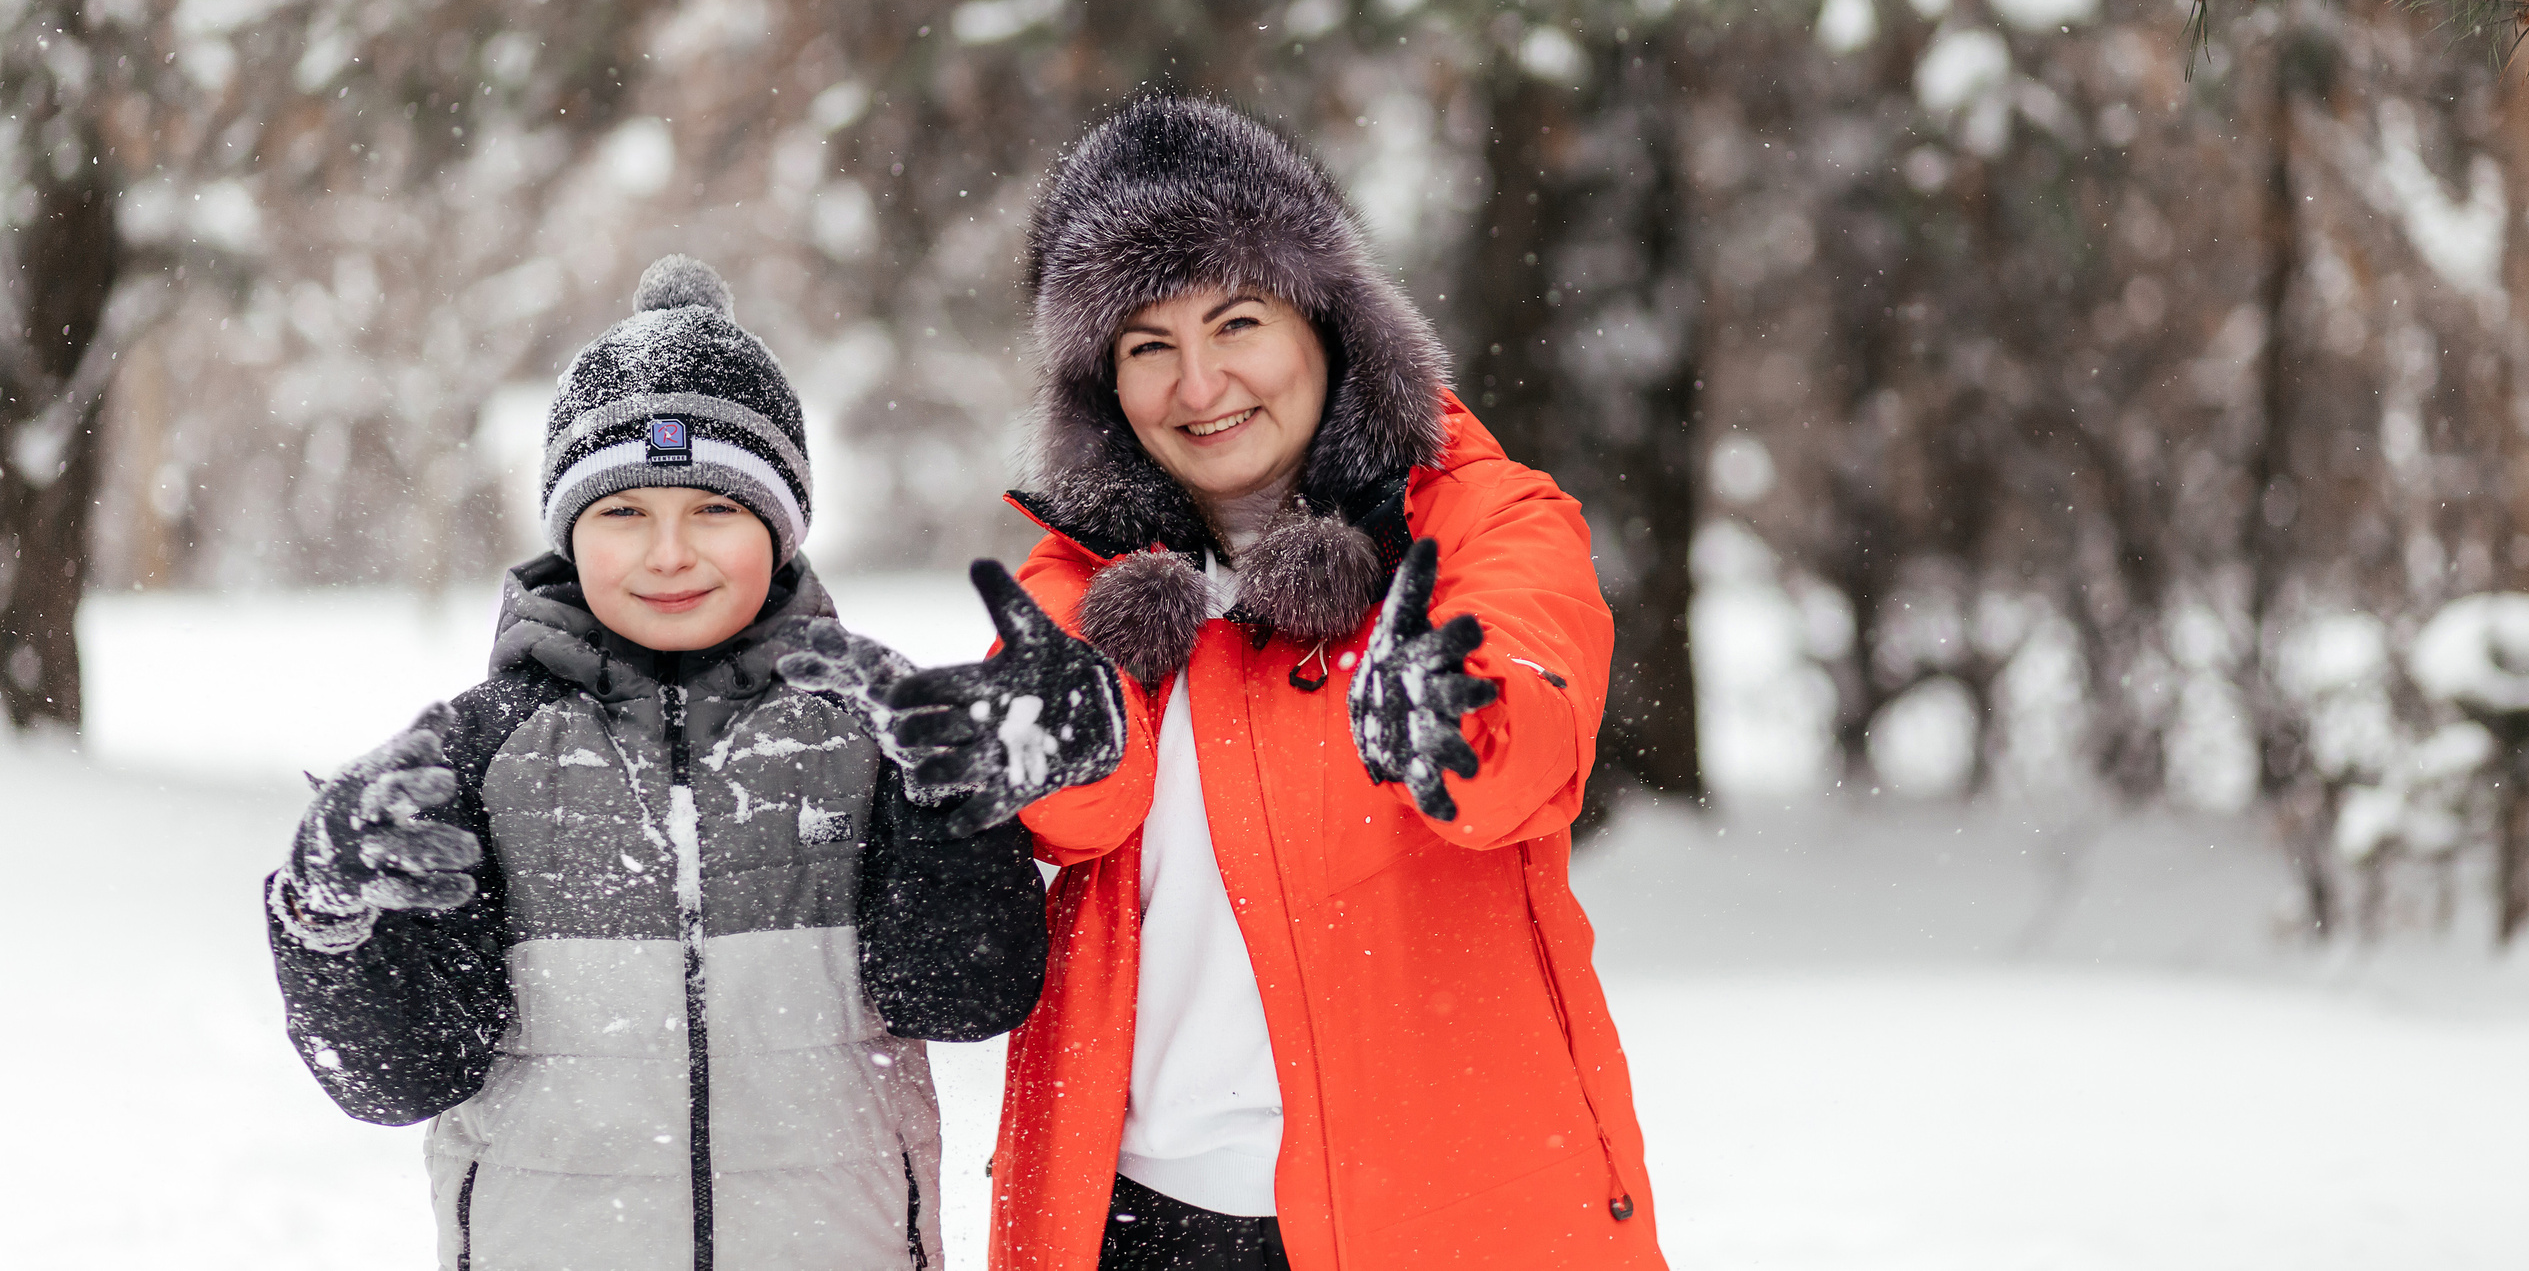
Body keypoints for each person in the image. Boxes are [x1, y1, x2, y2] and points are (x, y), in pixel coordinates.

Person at [808, 98, 1667, 1270]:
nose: (1199, 383)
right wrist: (1045, 751)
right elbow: (1082, 807)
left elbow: (1530, 724)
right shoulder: (1086, 578)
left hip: (1438, 1212)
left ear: (1326, 322)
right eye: (1146, 347)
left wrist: (1460, 717)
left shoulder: (1479, 518)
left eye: (1236, 321)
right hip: (1135, 1221)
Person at [263, 254, 1047, 1271]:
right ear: (567, 533)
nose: (668, 553)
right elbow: (399, 1075)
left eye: (715, 509)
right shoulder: (475, 755)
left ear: (781, 526)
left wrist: (960, 814)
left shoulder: (876, 728)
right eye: (623, 513)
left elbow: (964, 998)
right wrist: (332, 924)